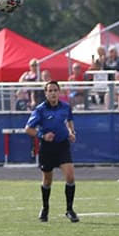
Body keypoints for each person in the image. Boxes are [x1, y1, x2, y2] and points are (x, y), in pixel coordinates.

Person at [25, 81, 78, 223]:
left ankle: (69, 209)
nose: (53, 93)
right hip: (47, 148)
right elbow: (28, 129)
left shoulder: (66, 107)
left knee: (70, 176)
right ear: (46, 93)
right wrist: (43, 136)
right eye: (50, 90)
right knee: (47, 180)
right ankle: (45, 207)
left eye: (55, 90)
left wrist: (71, 132)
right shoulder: (40, 110)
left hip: (62, 145)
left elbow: (69, 120)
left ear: (59, 92)